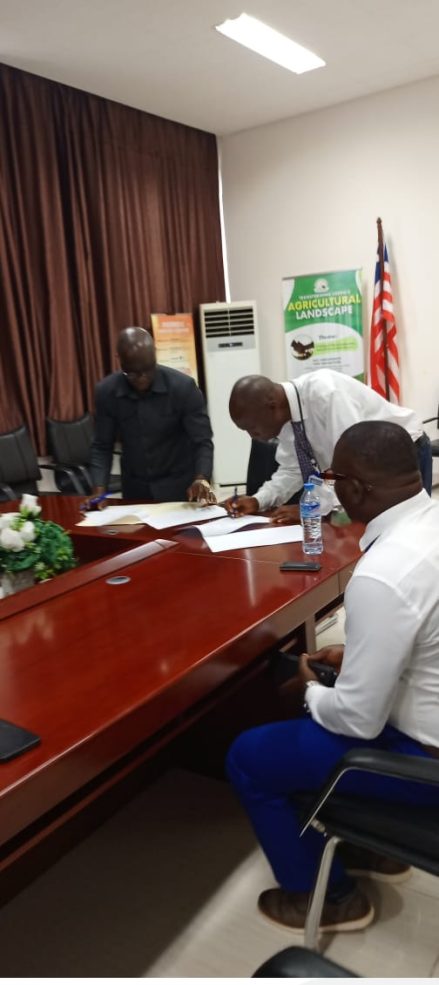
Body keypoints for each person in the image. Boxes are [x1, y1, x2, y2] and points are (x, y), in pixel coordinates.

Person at [226, 421, 439, 934]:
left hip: (425, 762)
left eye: (332, 478)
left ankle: (331, 901)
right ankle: (376, 850)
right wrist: (360, 655)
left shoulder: (384, 572)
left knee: (249, 756)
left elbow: (359, 721)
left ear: (356, 488)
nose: (329, 487)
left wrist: (310, 690)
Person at [224, 369, 432, 521]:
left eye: (252, 428)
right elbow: (292, 470)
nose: (252, 436)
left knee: (406, 527)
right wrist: (258, 500)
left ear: (272, 407)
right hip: (368, 468)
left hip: (401, 455)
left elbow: (353, 464)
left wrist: (311, 509)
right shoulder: (287, 419)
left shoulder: (326, 392)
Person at [88, 327, 215, 504]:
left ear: (155, 354)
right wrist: (99, 490)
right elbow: (102, 446)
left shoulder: (183, 387)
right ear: (119, 360)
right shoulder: (107, 392)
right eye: (132, 373)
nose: (142, 378)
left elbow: (202, 441)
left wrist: (201, 478)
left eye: (148, 369)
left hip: (180, 487)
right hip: (135, 489)